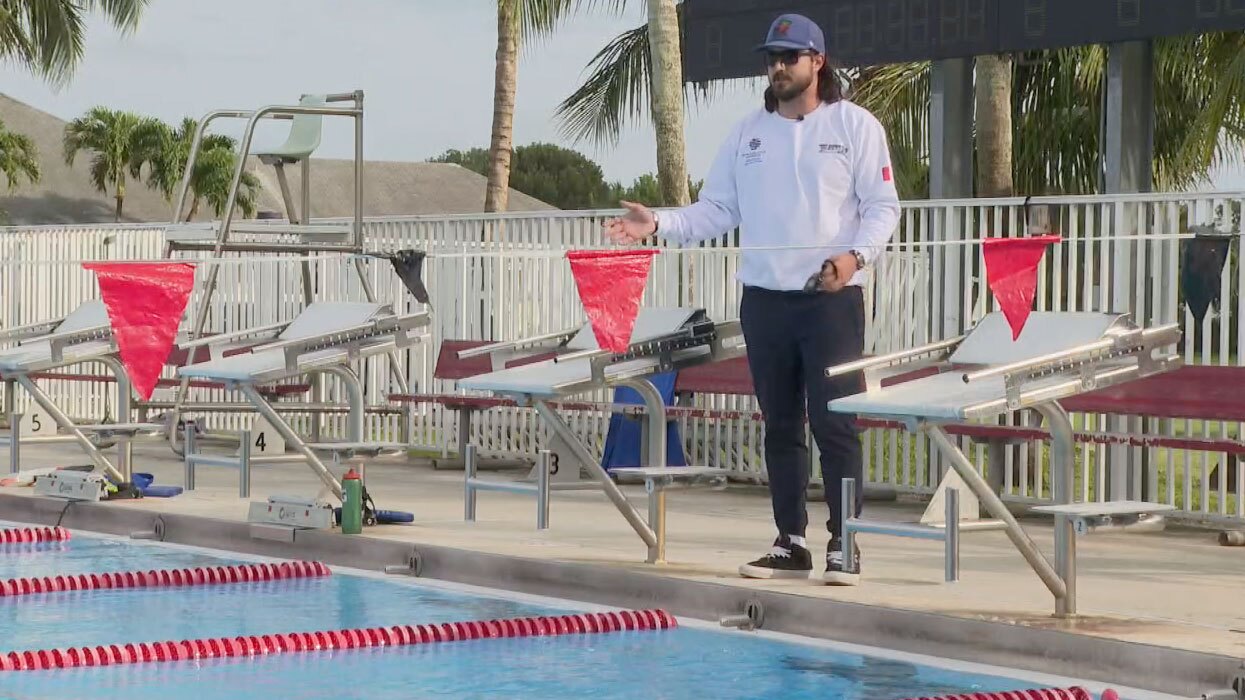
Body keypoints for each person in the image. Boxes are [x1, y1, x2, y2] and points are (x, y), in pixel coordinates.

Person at [602, 13, 900, 585]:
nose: (779, 67)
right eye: (772, 57)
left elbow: (884, 207)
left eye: (790, 57)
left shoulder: (856, 126)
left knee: (835, 424)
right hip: (765, 300)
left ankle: (846, 542)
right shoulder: (748, 133)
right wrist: (657, 222)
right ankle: (791, 542)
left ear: (818, 61)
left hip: (830, 298)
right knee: (781, 424)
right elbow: (716, 211)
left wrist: (854, 259)